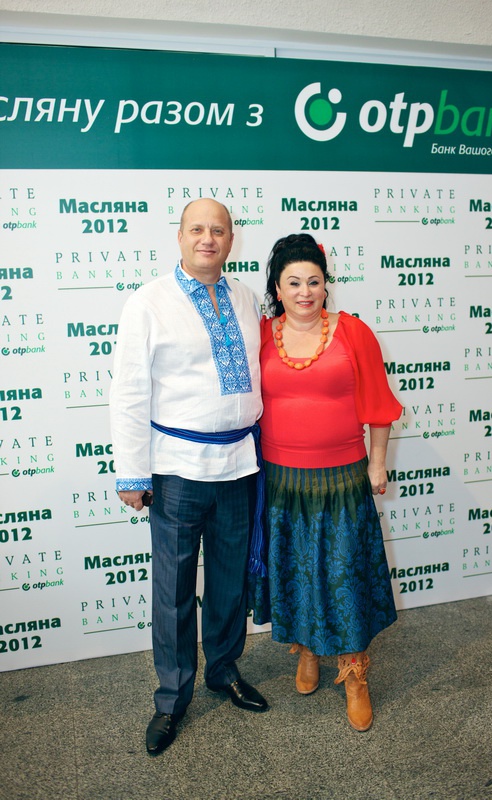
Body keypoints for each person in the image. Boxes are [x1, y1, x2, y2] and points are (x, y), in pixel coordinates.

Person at [109, 198, 268, 757]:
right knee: (174, 589)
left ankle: (223, 670)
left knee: (228, 581)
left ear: (231, 240)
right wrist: (131, 472)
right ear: (179, 237)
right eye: (197, 229)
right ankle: (171, 699)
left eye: (218, 230)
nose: (208, 238)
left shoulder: (245, 297)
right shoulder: (148, 302)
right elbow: (129, 391)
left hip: (239, 466)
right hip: (176, 469)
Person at [258, 233, 402, 731]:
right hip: (281, 480)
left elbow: (380, 405)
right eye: (294, 282)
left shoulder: (353, 332)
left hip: (341, 478)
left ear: (326, 284)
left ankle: (355, 674)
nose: (305, 292)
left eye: (314, 281)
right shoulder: (262, 334)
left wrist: (377, 463)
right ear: (277, 288)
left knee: (345, 578)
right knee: (294, 571)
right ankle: (307, 650)